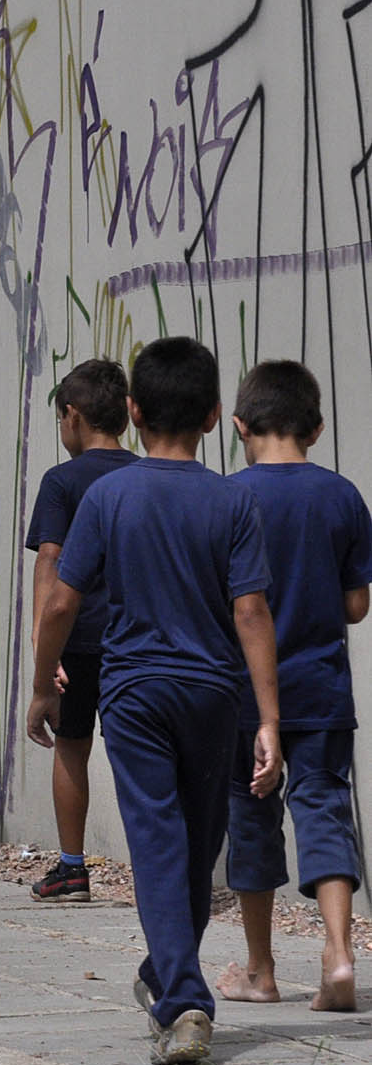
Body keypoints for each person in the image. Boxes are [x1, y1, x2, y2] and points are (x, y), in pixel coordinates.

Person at [32, 335, 282, 1065]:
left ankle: (176, 988)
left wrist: (43, 682)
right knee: (198, 843)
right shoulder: (231, 501)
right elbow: (251, 613)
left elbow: (59, 602)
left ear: (134, 411)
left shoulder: (108, 495)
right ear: (212, 415)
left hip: (135, 690)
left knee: (162, 844)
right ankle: (177, 990)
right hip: (213, 694)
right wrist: (267, 716)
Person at [212, 361, 372, 1013]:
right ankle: (337, 954)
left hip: (246, 697)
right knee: (324, 808)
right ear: (317, 426)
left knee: (249, 818)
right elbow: (356, 604)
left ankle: (259, 967)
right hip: (321, 688)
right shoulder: (340, 495)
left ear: (239, 424)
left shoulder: (226, 497)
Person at [23, 359, 137, 902]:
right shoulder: (145, 474)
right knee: (140, 755)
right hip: (140, 640)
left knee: (71, 746)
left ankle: (72, 868)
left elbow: (51, 560)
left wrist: (45, 656)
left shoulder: (63, 481)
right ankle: (159, 869)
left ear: (72, 416)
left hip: (79, 640)